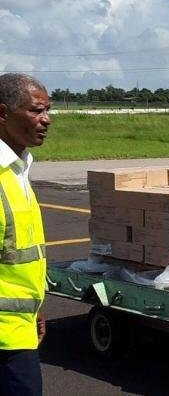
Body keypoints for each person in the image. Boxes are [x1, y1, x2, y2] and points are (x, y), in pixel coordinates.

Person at [0, 73, 51, 396]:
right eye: (35, 111)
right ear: (3, 114)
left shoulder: (19, 169)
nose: (46, 120)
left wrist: (35, 308)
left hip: (19, 327)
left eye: (48, 110)